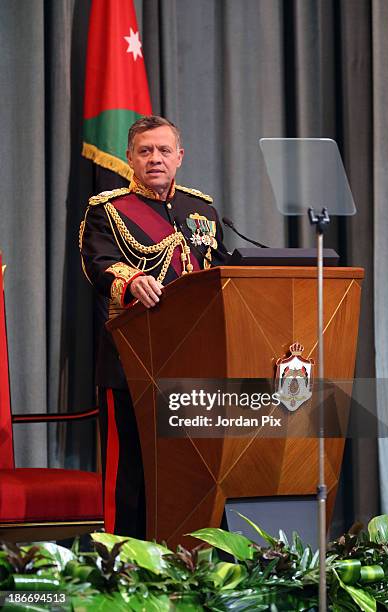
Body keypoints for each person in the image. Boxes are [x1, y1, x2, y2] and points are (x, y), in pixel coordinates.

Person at [79, 115, 228, 537]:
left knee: (193, 474)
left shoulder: (202, 210)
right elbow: (99, 264)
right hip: (132, 364)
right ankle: (122, 566)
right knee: (129, 478)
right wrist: (131, 281)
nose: (155, 159)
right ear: (130, 158)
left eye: (164, 151)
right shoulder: (107, 211)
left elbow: (220, 271)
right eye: (145, 151)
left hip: (197, 365)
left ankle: (191, 563)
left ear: (180, 157)